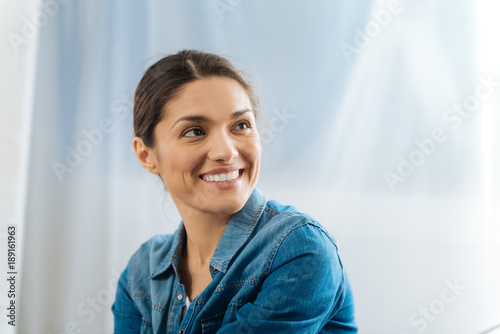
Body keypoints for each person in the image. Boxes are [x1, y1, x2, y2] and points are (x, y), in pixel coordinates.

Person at [112, 49, 357, 333]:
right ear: (146, 156)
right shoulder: (141, 271)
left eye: (241, 125)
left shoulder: (299, 250)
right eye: (195, 131)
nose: (226, 151)